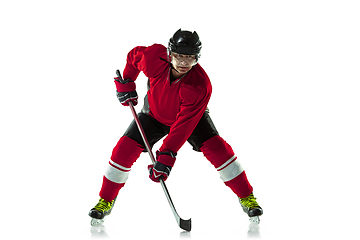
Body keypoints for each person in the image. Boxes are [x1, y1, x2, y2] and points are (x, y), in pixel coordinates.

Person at [89, 29, 263, 225]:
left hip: (190, 119)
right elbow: (133, 57)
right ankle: (106, 199)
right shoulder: (154, 57)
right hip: (153, 114)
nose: (183, 63)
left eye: (189, 58)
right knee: (123, 150)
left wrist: (166, 155)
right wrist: (127, 81)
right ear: (170, 53)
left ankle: (247, 198)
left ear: (197, 58)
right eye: (179, 56)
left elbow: (182, 127)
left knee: (219, 150)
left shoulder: (200, 85)